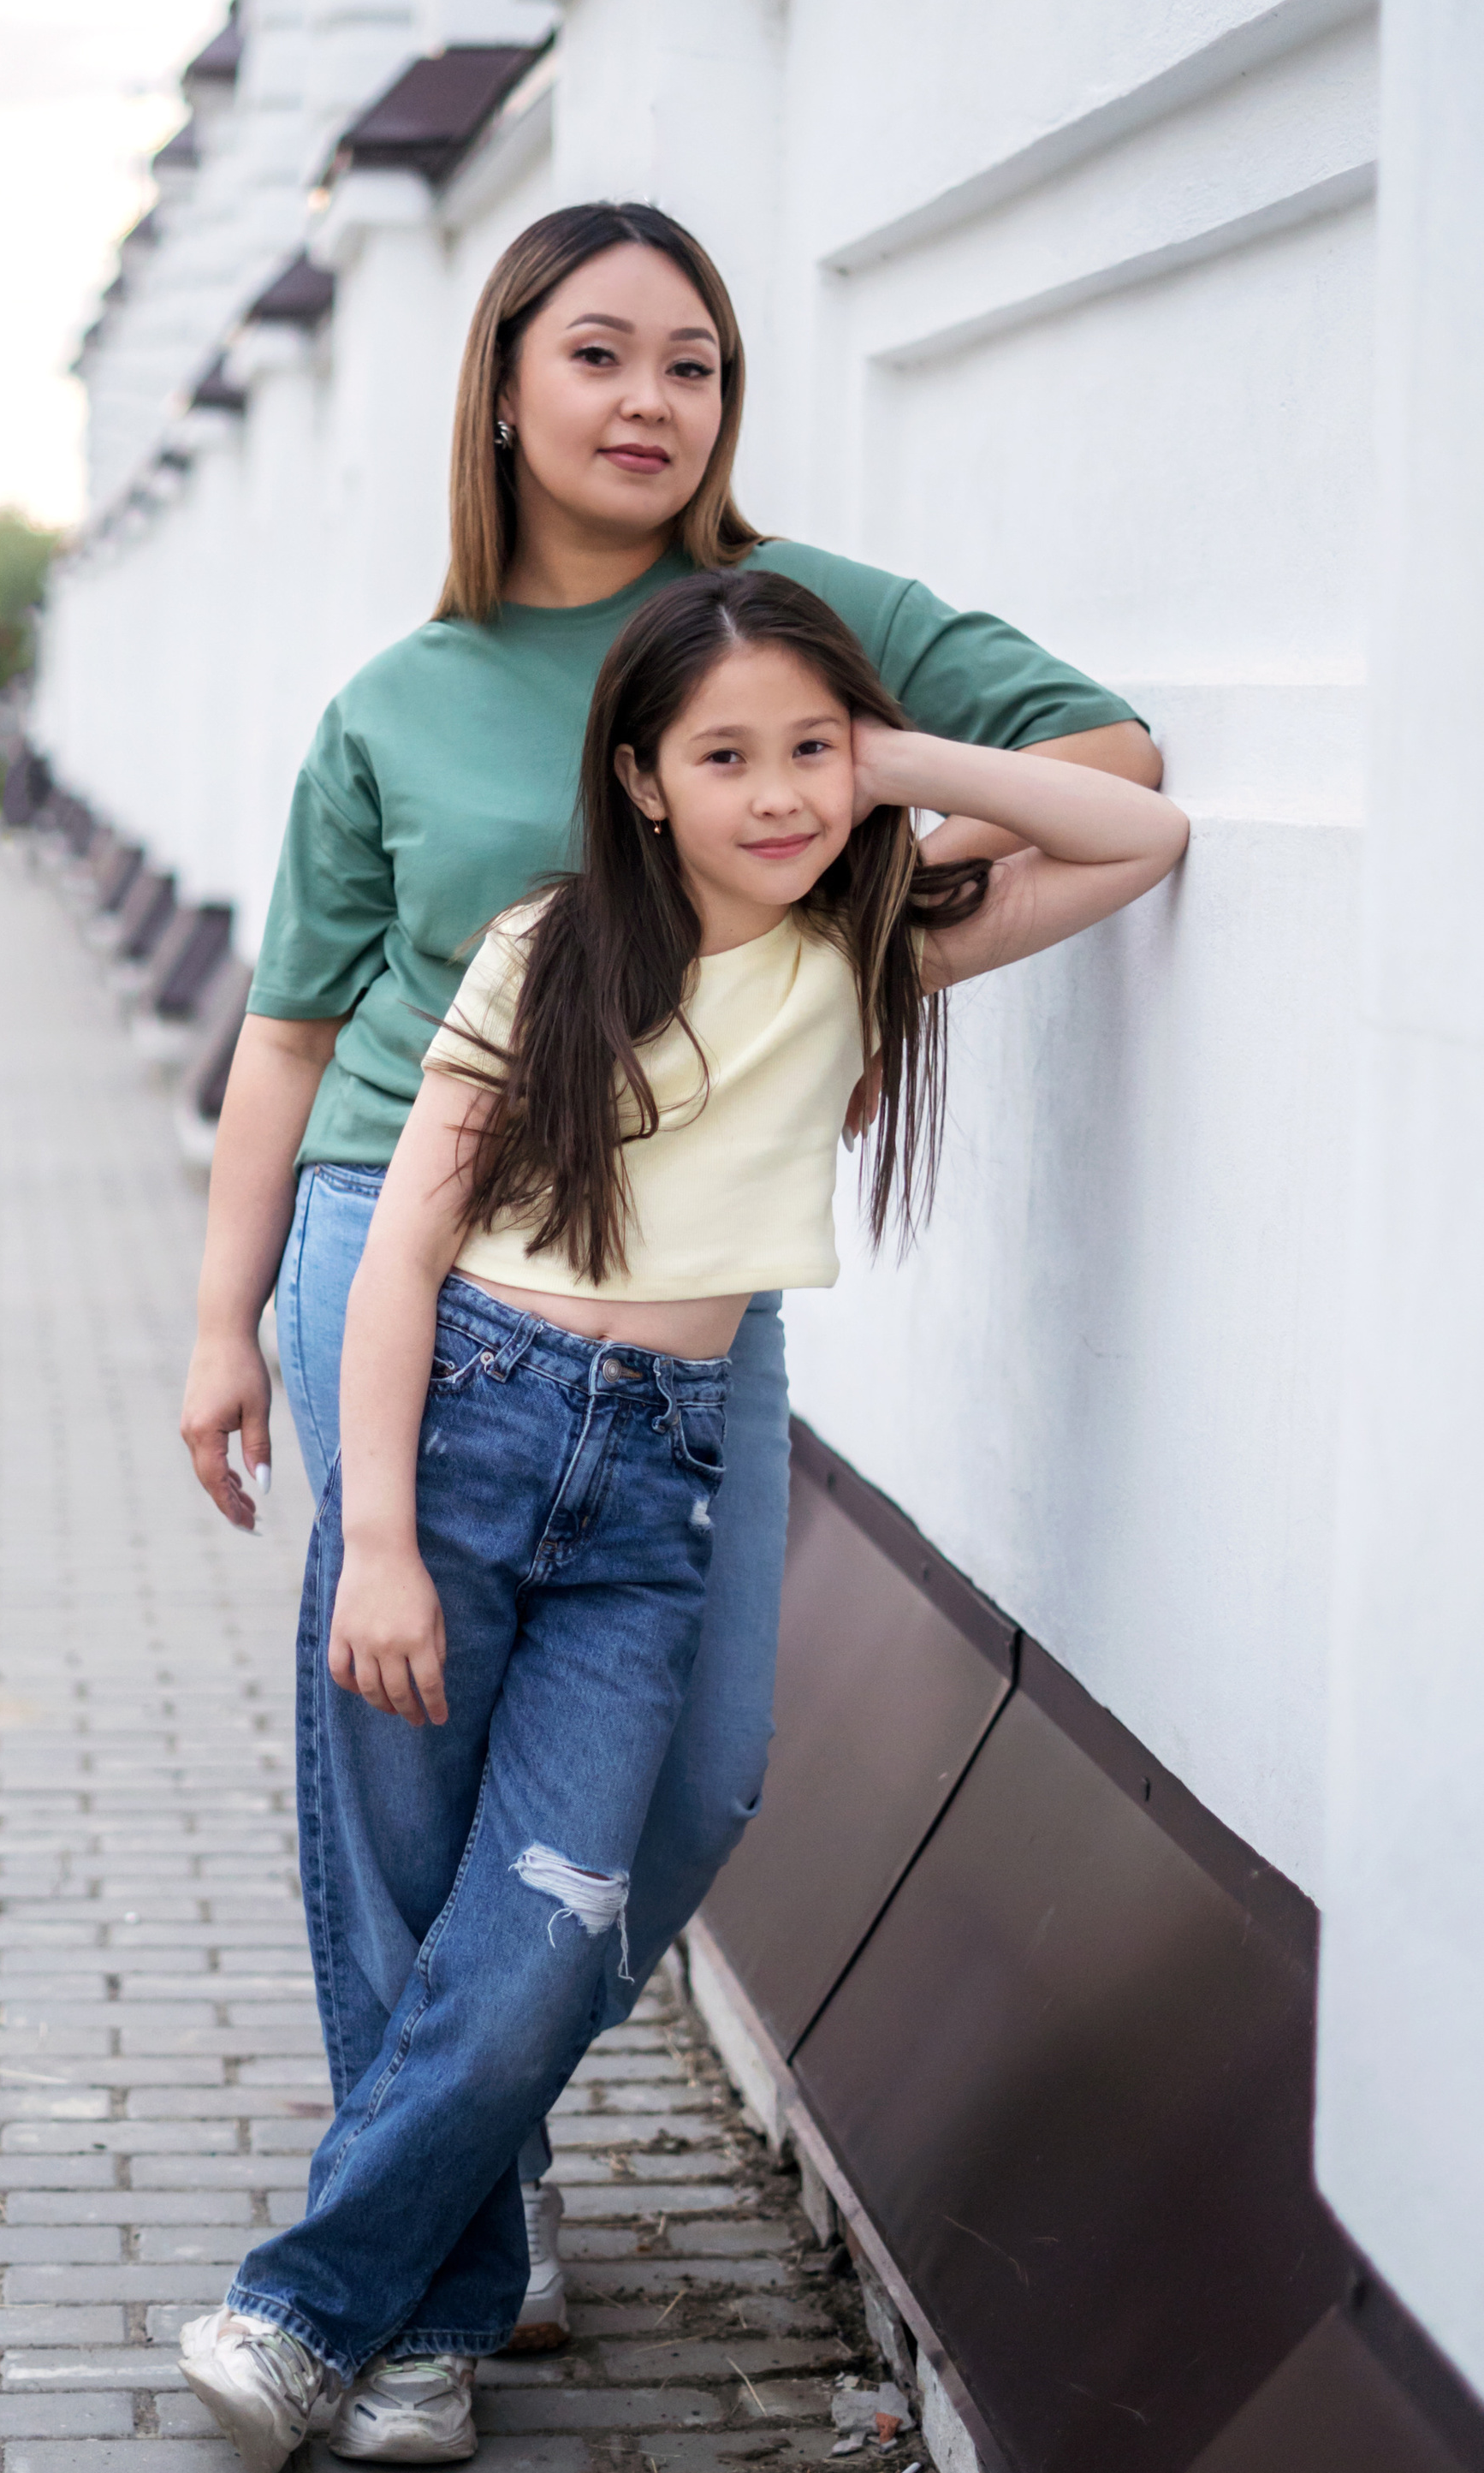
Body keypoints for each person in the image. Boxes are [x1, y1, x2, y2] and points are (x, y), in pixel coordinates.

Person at [178, 199, 1162, 2349]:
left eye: (692, 363)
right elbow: (286, 1028)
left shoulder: (791, 628)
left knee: (701, 1771)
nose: (647, 401)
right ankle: (456, 2238)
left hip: (688, 1300)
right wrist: (220, 1315)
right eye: (600, 355)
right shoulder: (395, 698)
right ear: (505, 389)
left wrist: (872, 807)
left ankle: (426, 2165)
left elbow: (1113, 773)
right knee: (406, 1777)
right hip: (404, 1250)